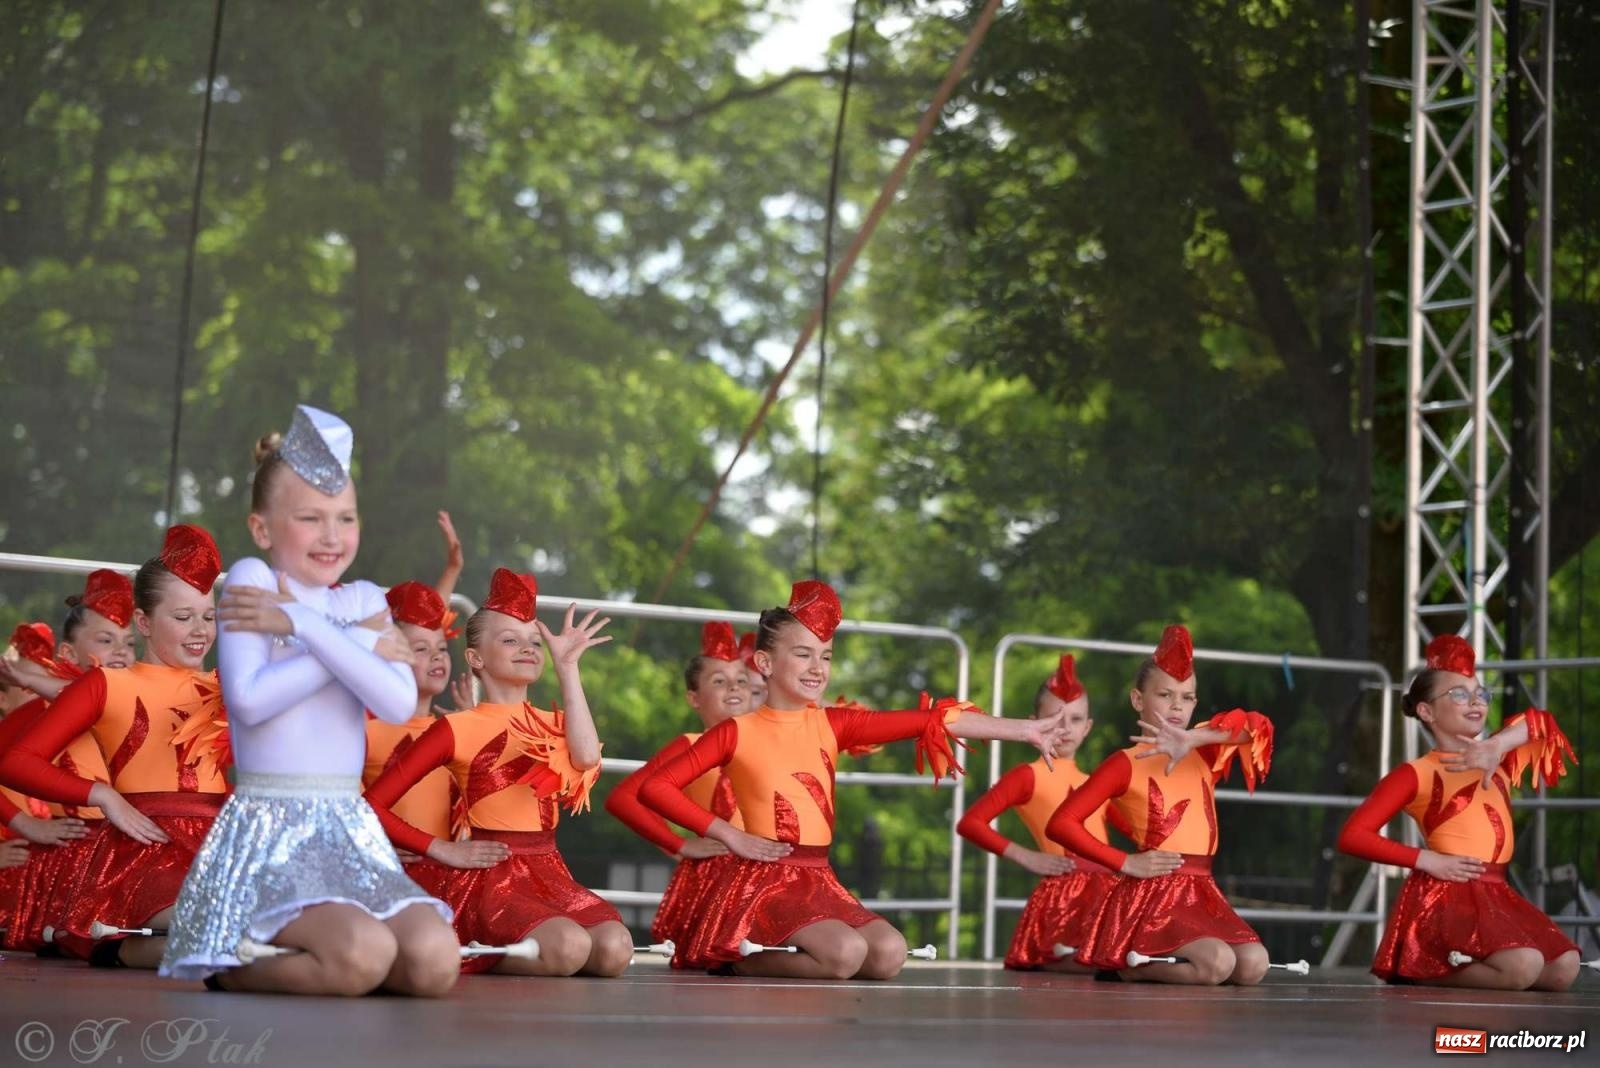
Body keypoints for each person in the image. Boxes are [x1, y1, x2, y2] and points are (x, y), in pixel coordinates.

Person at [159, 405, 459, 996]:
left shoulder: (365, 595)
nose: (332, 536)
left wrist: (305, 626)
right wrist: (349, 642)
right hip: (273, 827)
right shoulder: (254, 579)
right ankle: (232, 962)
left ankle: (327, 957)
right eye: (310, 518)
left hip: (349, 828)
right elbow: (248, 701)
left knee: (434, 960)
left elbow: (399, 701)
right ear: (264, 529)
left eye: (345, 518)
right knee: (363, 955)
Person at [639, 579, 1068, 980]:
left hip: (818, 875)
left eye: (825, 656)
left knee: (888, 953)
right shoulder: (736, 731)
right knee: (844, 954)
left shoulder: (833, 724)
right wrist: (728, 836)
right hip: (764, 879)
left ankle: (779, 953)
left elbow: (931, 720)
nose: (817, 667)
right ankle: (733, 959)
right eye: (803, 654)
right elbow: (653, 787)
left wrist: (1022, 729)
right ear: (765, 663)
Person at [366, 567, 632, 978]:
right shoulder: (456, 727)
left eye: (534, 642)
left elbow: (584, 759)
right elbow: (371, 804)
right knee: (568, 945)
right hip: (494, 874)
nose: (527, 649)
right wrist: (438, 848)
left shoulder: (554, 720)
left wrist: (568, 669)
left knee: (615, 948)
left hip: (549, 868)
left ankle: (515, 952)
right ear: (475, 658)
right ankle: (480, 953)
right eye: (509, 640)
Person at [0, 526, 229, 968]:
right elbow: (15, 761)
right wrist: (102, 796)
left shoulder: (228, 686)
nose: (200, 630)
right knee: (206, 925)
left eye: (209, 616)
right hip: (147, 844)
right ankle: (118, 947)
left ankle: (136, 947)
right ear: (143, 622)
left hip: (222, 840)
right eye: (183, 617)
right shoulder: (107, 683)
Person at [1337, 634, 1579, 990]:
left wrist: (1497, 744)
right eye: (1459, 694)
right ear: (1426, 711)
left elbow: (1542, 724)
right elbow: (1352, 836)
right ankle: (1420, 971)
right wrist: (1425, 860)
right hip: (1447, 894)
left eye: (1481, 693)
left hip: (1497, 892)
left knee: (1565, 966)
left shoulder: (1499, 758)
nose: (1476, 702)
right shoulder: (1415, 773)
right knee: (1523, 966)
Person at [1047, 625, 1273, 985]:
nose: (1176, 706)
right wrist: (1125, 862)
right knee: (1216, 963)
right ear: (1138, 700)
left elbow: (1258, 728)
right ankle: (1121, 964)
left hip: (1201, 890)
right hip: (1155, 893)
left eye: (1187, 697)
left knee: (1254, 964)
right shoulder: (1125, 762)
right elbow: (1062, 823)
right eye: (1165, 695)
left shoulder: (1204, 752)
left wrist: (1194, 737)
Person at [958, 654, 1124, 971]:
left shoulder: (1096, 783)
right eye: (1054, 719)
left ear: (1088, 727)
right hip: (1065, 894)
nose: (1065, 728)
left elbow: (1135, 830)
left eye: (1075, 720)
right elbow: (971, 823)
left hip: (1107, 892)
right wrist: (1027, 856)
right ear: (1033, 722)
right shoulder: (1027, 775)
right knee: (1087, 962)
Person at [605, 622, 745, 954]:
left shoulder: (767, 743)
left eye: (741, 680)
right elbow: (623, 797)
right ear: (693, 698)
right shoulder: (691, 745)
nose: (734, 688)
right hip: (716, 882)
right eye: (719, 682)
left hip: (765, 875)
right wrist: (679, 844)